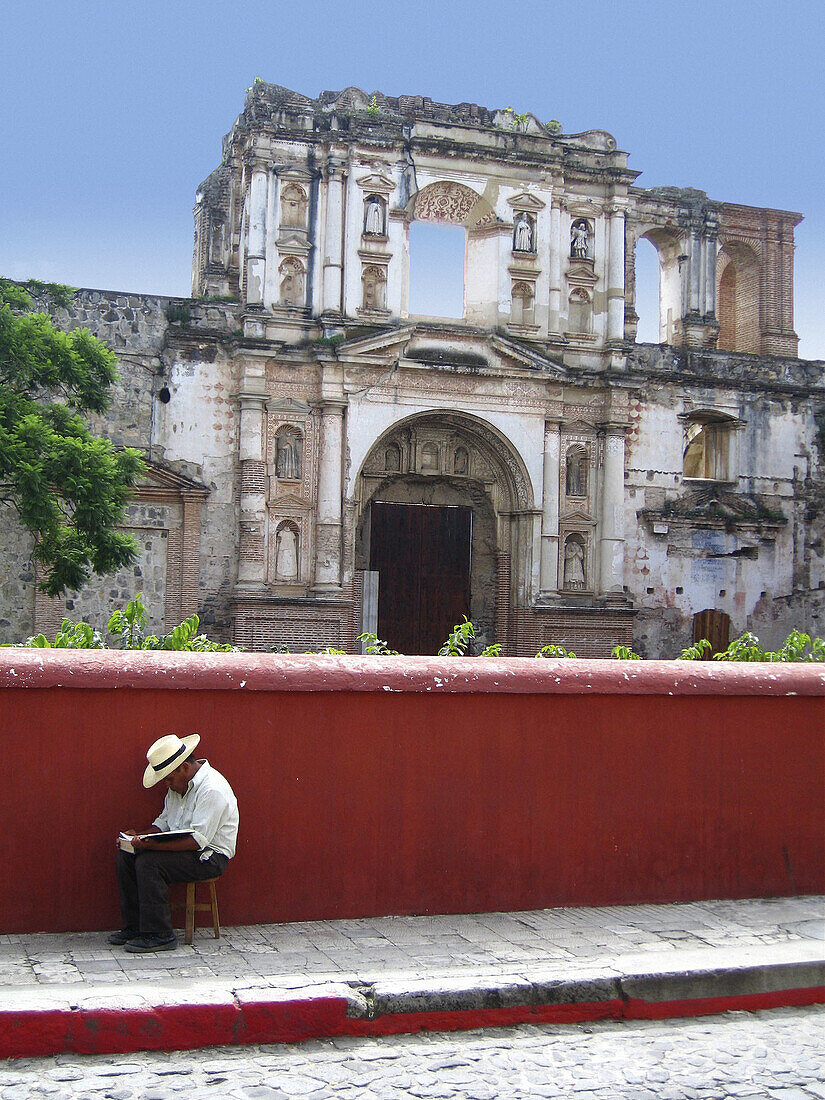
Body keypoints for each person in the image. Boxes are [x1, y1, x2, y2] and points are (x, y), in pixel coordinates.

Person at [110, 733, 239, 953]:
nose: (167, 785)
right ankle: (136, 927)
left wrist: (152, 847)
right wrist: (138, 837)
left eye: (169, 779)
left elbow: (197, 841)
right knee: (128, 855)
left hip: (209, 856)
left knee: (149, 863)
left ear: (185, 768)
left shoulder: (211, 789)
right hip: (186, 848)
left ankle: (160, 934)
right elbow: (164, 824)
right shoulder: (177, 787)